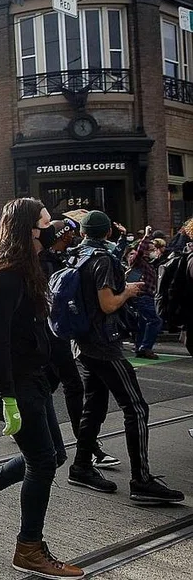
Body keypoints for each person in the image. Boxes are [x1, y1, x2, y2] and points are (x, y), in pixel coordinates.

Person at [0, 198, 83, 578]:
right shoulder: (2, 275)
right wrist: (7, 396)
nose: (54, 227)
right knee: (43, 462)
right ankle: (28, 547)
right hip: (15, 384)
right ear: (29, 228)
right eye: (46, 221)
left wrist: (63, 373)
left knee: (53, 455)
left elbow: (41, 327)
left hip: (35, 378)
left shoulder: (31, 267)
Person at [65, 211, 184, 504]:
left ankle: (80, 466)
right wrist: (128, 292)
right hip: (104, 345)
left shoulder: (77, 255)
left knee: (94, 406)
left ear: (82, 233)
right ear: (105, 233)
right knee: (137, 408)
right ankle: (141, 480)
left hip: (82, 344)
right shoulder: (102, 260)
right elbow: (107, 304)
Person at [39, 219, 120, 471]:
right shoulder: (44, 262)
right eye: (69, 234)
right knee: (73, 385)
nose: (73, 238)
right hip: (53, 333)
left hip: (61, 331)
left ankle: (29, 418)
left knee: (47, 383)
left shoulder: (65, 257)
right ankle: (89, 448)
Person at [126, 226, 162, 360]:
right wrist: (146, 235)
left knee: (142, 322)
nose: (154, 251)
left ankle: (139, 347)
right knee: (155, 320)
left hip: (146, 296)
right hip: (141, 296)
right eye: (151, 249)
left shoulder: (148, 263)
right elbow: (140, 250)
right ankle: (145, 347)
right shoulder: (137, 259)